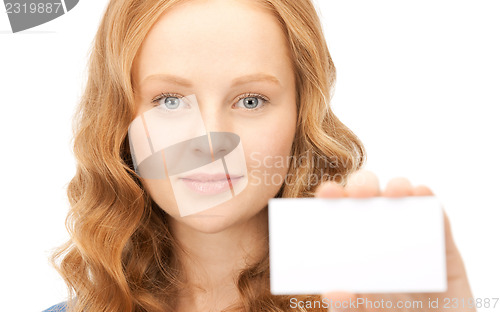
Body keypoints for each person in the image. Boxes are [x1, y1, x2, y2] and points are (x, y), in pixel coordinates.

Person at [43, 0, 475, 311]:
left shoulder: (364, 301)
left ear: (301, 115)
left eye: (250, 100)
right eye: (170, 101)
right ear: (120, 120)